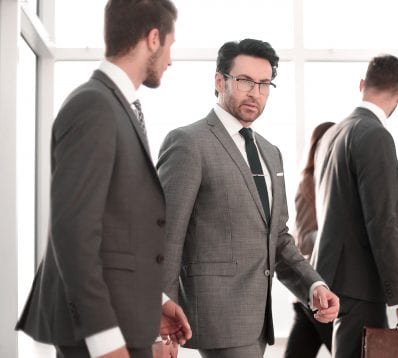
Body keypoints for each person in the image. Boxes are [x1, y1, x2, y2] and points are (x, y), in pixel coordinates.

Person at [15, 1, 192, 357]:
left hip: (122, 321)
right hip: (100, 335)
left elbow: (115, 231)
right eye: (170, 45)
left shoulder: (115, 106)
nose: (171, 60)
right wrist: (105, 340)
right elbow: (73, 234)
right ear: (153, 39)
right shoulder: (94, 106)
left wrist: (151, 301)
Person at [156, 38, 339, 358]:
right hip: (216, 316)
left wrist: (314, 286)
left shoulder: (271, 153)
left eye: (265, 83)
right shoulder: (189, 142)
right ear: (219, 81)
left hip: (258, 319)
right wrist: (156, 319)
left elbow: (278, 237)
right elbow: (165, 235)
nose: (255, 92)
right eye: (244, 81)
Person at [311, 54, 398, 358]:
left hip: (332, 279)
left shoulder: (332, 134)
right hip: (361, 284)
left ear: (362, 85)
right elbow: (382, 221)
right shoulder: (375, 135)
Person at [284, 122, 335, 358]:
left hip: (316, 292)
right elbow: (302, 239)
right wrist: (340, 239)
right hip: (316, 287)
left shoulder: (335, 182)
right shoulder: (310, 182)